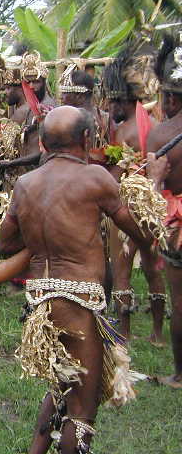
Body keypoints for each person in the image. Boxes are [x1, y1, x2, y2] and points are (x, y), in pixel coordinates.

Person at [0, 106, 165, 453]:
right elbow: (142, 234)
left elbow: (6, 243)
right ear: (88, 139)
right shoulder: (96, 178)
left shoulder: (25, 184)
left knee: (61, 386)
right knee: (82, 410)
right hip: (78, 302)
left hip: (41, 303)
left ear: (43, 143)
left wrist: (47, 234)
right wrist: (154, 184)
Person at [101, 50, 166, 345]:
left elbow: (116, 174)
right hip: (150, 207)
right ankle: (156, 333)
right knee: (152, 266)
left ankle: (125, 333)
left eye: (115, 101)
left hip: (127, 206)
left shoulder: (125, 131)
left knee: (122, 266)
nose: (110, 106)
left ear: (128, 101)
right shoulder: (153, 126)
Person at [147, 33, 182, 388]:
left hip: (177, 220)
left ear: (170, 97)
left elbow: (150, 191)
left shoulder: (159, 136)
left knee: (181, 299)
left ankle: (180, 374)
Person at [0, 51, 57, 174]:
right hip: (31, 173)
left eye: (36, 82)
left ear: (44, 82)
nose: (31, 86)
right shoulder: (34, 107)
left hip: (43, 173)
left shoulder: (49, 109)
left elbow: (45, 152)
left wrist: (11, 163)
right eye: (28, 82)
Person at [59, 65, 113, 148]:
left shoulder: (106, 120)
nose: (61, 97)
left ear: (80, 96)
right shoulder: (106, 118)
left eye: (65, 93)